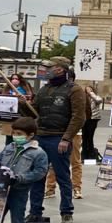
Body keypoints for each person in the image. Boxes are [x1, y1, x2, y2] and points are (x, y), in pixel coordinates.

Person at [28, 57, 85, 223]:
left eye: (49, 67)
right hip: (41, 138)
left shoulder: (74, 90)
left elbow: (78, 117)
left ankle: (66, 212)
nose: (46, 70)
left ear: (60, 69)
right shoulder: (44, 89)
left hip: (59, 138)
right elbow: (33, 112)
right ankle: (35, 212)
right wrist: (24, 103)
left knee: (62, 177)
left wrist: (66, 138)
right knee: (37, 177)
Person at [44, 68, 86, 201]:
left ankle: (76, 188)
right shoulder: (52, 90)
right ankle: (50, 188)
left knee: (75, 161)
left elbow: (82, 114)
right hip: (58, 132)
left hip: (74, 133)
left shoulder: (77, 91)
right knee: (53, 162)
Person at [0, 74, 35, 146]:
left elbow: (30, 100)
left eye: (16, 78)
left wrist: (24, 99)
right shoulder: (7, 89)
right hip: (10, 117)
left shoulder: (25, 88)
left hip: (22, 116)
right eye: (13, 78)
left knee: (21, 137)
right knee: (10, 138)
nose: (14, 80)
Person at [82, 83, 104, 161]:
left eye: (90, 89)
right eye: (86, 89)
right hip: (85, 119)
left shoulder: (95, 98)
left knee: (90, 137)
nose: (88, 90)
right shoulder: (83, 98)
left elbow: (99, 100)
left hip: (93, 118)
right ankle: (84, 154)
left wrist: (91, 94)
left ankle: (91, 154)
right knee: (84, 137)